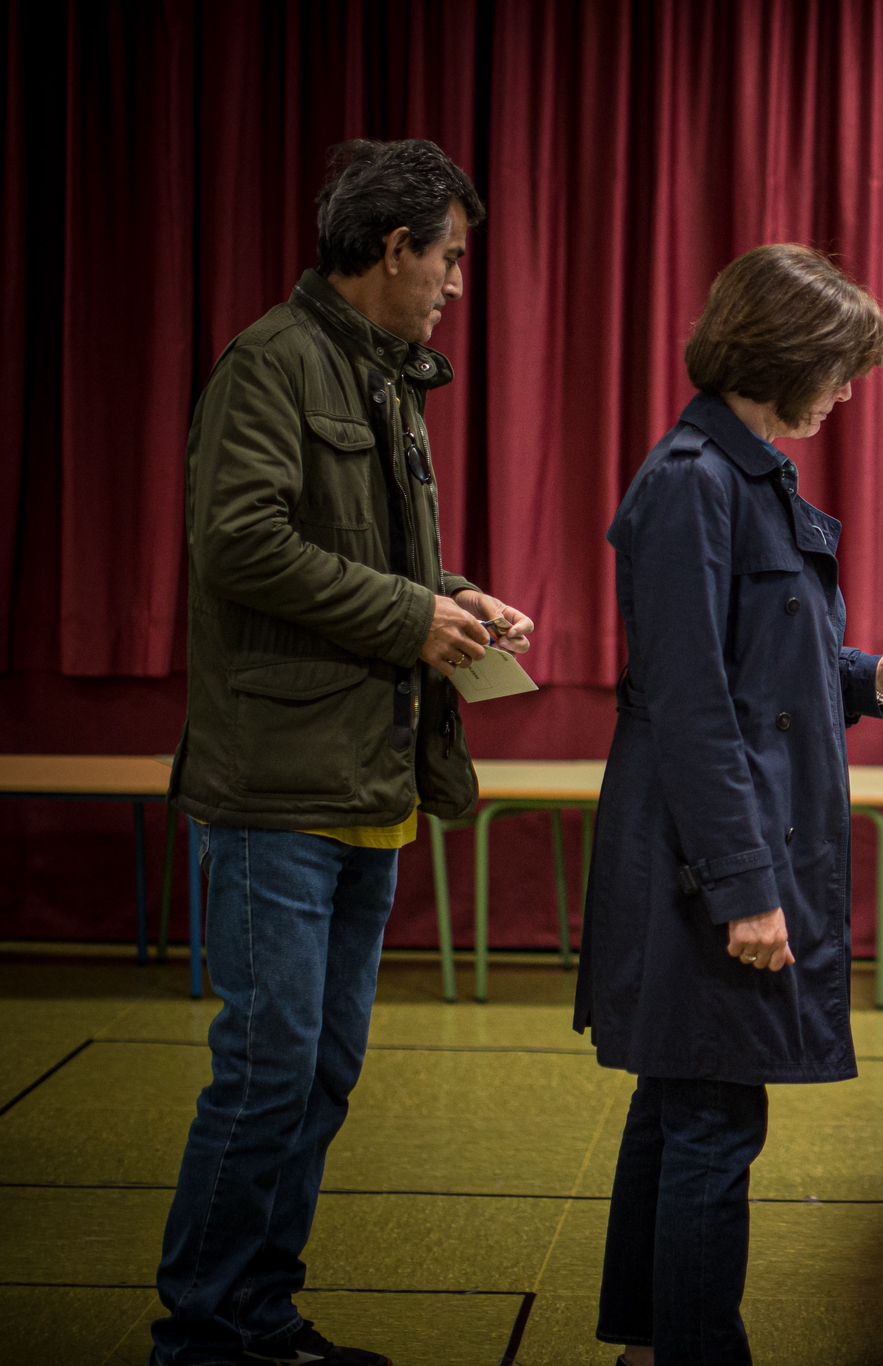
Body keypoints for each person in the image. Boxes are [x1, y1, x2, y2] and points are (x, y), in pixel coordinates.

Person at [156, 139, 528, 1366]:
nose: (456, 283)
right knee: (264, 1079)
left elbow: (364, 559)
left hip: (364, 777)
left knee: (319, 1078)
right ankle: (203, 1334)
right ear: (393, 250)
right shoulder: (273, 363)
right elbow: (241, 544)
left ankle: (262, 1317)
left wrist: (456, 598)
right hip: (275, 787)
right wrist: (410, 615)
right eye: (451, 257)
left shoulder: (379, 373)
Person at [574, 244, 883, 1366]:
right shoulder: (693, 481)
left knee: (680, 1099)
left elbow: (760, 672)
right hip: (704, 858)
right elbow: (691, 708)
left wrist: (865, 676)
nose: (844, 393)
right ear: (785, 356)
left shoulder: (743, 473)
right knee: (715, 1124)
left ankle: (644, 1338)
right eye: (837, 370)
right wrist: (746, 889)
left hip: (722, 842)